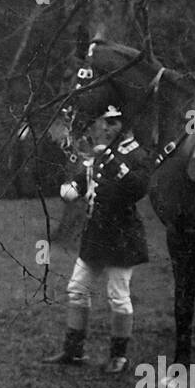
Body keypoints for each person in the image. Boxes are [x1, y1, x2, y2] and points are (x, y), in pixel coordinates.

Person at [43, 103, 152, 371]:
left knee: (118, 295)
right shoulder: (103, 153)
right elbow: (82, 181)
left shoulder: (138, 154)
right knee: (77, 290)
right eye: (105, 121)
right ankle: (74, 351)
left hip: (122, 234)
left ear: (124, 126)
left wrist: (111, 160)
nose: (105, 127)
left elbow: (137, 189)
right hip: (96, 233)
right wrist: (72, 186)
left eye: (113, 122)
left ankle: (118, 357)